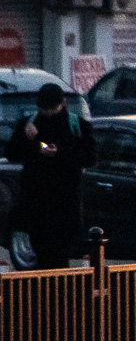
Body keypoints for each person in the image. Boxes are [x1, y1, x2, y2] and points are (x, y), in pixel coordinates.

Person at [4, 83, 96, 269]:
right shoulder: (29, 124)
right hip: (35, 203)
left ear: (62, 103)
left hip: (64, 203)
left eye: (51, 108)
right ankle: (45, 294)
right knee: (41, 253)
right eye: (43, 108)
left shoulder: (76, 125)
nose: (47, 112)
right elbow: (12, 153)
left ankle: (58, 294)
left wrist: (60, 153)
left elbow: (90, 157)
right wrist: (27, 138)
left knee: (59, 254)